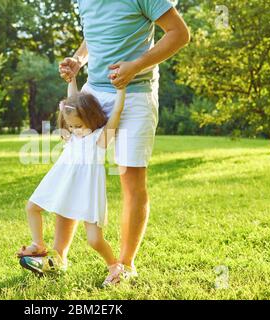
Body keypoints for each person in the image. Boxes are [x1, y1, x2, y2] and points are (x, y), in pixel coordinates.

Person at [57, 0, 191, 282]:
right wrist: (79, 59)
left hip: (135, 94)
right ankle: (58, 255)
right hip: (92, 93)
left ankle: (126, 265)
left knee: (131, 177)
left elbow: (179, 34)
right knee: (74, 170)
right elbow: (95, 34)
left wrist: (136, 66)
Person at [18, 76, 127, 286]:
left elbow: (117, 114)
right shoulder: (74, 135)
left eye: (77, 125)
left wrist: (121, 90)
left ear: (91, 117)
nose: (73, 130)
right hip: (63, 182)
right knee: (32, 207)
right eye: (70, 126)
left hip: (86, 191)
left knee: (94, 240)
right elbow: (73, 99)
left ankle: (115, 266)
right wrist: (73, 78)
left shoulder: (100, 138)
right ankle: (39, 246)